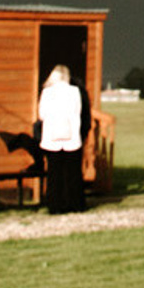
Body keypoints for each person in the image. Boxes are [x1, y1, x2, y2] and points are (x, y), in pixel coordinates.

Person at [37, 63, 87, 214]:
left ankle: (55, 206)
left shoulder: (46, 92)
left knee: (54, 174)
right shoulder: (75, 91)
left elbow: (42, 115)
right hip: (71, 138)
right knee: (73, 174)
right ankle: (76, 204)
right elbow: (78, 112)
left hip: (52, 139)